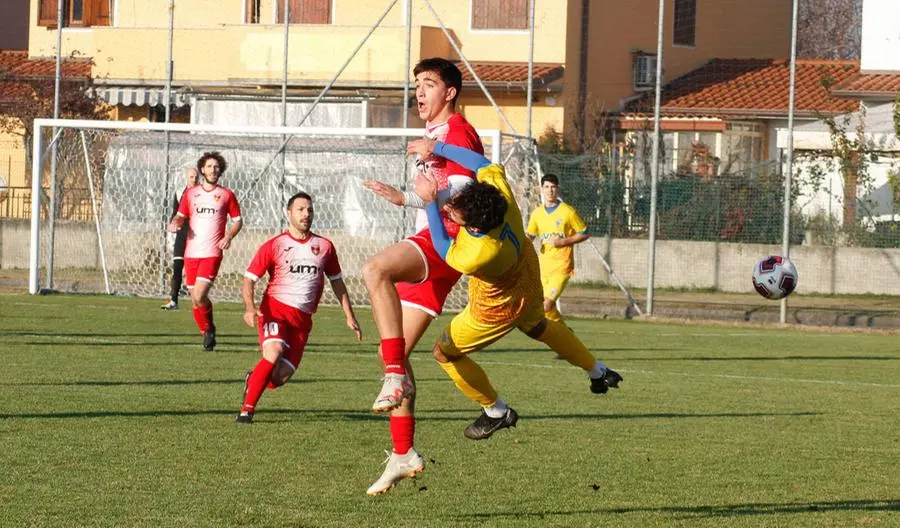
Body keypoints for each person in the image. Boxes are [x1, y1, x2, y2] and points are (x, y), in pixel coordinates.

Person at [407, 137, 623, 441]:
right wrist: (437, 148)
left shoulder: (479, 252)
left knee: (444, 354)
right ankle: (597, 370)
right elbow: (482, 164)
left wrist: (430, 202)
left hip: (494, 308)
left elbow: (444, 248)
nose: (451, 207)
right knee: (539, 327)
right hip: (527, 279)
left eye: (456, 211)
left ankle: (494, 410)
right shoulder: (502, 198)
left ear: (475, 227)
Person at [361, 57, 483, 496]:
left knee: (375, 269)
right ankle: (403, 453)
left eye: (429, 83)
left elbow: (471, 188)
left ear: (449, 92)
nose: (420, 91)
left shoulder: (456, 131)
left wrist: (433, 194)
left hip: (445, 241)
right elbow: (436, 193)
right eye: (416, 84)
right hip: (435, 234)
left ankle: (394, 376)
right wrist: (404, 199)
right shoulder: (432, 137)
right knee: (394, 351)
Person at [236, 191, 362, 424]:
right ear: (289, 213)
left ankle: (253, 380)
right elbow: (249, 278)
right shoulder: (275, 245)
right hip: (275, 311)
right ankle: (247, 410)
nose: (306, 214)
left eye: (309, 210)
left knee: (278, 378)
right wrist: (249, 308)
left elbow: (337, 281)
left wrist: (349, 316)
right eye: (301, 210)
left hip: (302, 321)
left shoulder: (324, 246)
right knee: (273, 352)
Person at [167, 151, 243, 351]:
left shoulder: (226, 195)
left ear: (221, 170)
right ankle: (207, 331)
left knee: (200, 295)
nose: (213, 169)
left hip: (212, 252)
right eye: (209, 166)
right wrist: (175, 223)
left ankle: (208, 330)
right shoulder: (191, 194)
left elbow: (237, 221)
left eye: (216, 166)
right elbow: (180, 215)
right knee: (194, 298)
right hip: (191, 252)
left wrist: (228, 236)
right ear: (202, 169)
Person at [526, 174, 589, 324]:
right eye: (546, 187)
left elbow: (584, 233)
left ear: (557, 188)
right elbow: (530, 236)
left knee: (547, 304)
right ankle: (565, 335)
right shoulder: (537, 213)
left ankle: (564, 336)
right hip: (543, 267)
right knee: (543, 307)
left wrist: (563, 241)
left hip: (562, 267)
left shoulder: (568, 212)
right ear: (541, 189)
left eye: (553, 187)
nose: (550, 190)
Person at [161, 168, 200, 311]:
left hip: (198, 237)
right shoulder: (179, 193)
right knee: (177, 267)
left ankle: (198, 301)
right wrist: (173, 223)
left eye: (196, 177)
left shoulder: (204, 194)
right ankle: (173, 301)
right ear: (186, 178)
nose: (193, 179)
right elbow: (175, 214)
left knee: (195, 271)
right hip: (182, 235)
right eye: (191, 177)